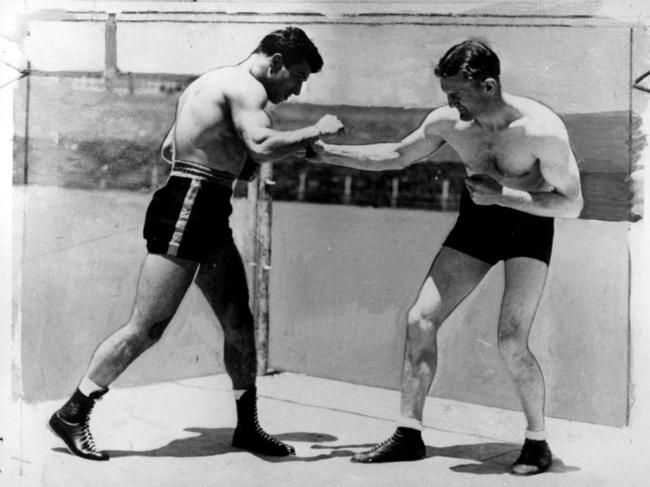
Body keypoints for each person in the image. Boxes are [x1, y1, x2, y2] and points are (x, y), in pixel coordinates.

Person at [48, 26, 344, 461]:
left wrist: (228, 159)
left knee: (238, 322)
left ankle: (247, 428)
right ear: (275, 62)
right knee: (147, 327)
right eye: (297, 76)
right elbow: (260, 145)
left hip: (202, 205)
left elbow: (172, 147)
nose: (297, 89)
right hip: (190, 205)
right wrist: (314, 130)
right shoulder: (247, 89)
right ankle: (73, 412)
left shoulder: (211, 82)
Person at [308, 39, 583, 475]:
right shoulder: (449, 122)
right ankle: (408, 434)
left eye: (457, 94)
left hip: (528, 223)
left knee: (512, 340)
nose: (450, 103)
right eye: (447, 94)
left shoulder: (540, 129)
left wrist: (505, 194)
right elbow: (397, 155)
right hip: (478, 222)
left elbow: (571, 204)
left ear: (489, 86)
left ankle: (537, 442)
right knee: (420, 319)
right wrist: (327, 154)